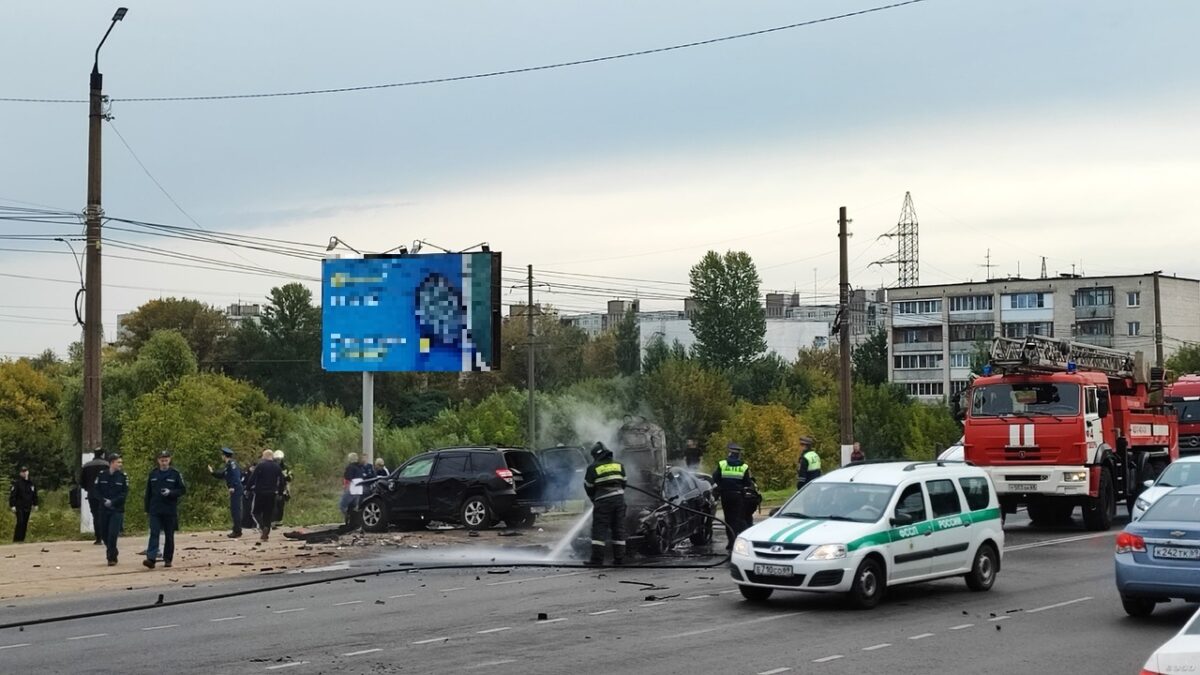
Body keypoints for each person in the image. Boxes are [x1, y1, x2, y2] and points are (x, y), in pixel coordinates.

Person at [582, 442, 627, 566]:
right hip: (619, 500)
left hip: (603, 501)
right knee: (618, 529)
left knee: (599, 531)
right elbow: (624, 482)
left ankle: (597, 560)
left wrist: (594, 499)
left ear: (596, 455)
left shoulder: (593, 468)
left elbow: (589, 486)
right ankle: (619, 559)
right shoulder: (619, 465)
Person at [143, 450, 186, 570]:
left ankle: (168, 559)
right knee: (154, 533)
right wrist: (147, 508)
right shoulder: (153, 474)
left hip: (169, 509)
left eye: (166, 460)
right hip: (155, 509)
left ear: (169, 460)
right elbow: (148, 492)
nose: (164, 462)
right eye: (162, 460)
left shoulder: (175, 474)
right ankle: (151, 558)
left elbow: (182, 490)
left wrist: (171, 492)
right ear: (158, 461)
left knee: (169, 535)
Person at [712, 443, 754, 550]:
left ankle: (731, 542)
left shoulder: (722, 464)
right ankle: (743, 541)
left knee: (728, 519)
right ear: (738, 454)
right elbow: (747, 482)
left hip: (726, 495)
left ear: (730, 453)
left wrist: (723, 485)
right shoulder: (744, 466)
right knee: (738, 518)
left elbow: (715, 478)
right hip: (738, 496)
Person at [94, 453, 128, 566]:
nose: (120, 464)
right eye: (118, 462)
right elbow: (96, 491)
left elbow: (124, 493)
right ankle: (113, 550)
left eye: (121, 462)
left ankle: (111, 558)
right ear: (112, 463)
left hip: (116, 509)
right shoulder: (102, 475)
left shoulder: (122, 476)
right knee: (104, 534)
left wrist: (112, 502)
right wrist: (103, 501)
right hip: (103, 509)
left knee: (113, 534)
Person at [248, 449, 285, 541]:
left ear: (264, 456)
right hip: (272, 493)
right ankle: (266, 532)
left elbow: (253, 478)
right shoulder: (277, 467)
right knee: (267, 514)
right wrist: (280, 492)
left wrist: (248, 488)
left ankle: (262, 526)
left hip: (260, 493)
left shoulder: (260, 465)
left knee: (255, 512)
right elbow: (282, 481)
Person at [208, 447, 243, 538]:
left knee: (236, 510)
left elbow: (235, 476)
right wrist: (212, 472)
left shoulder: (232, 464)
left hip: (235, 489)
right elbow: (222, 475)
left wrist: (232, 486)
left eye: (222, 455)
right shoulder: (228, 466)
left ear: (224, 456)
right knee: (234, 509)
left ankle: (237, 530)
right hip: (234, 488)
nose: (221, 457)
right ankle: (236, 529)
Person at [80, 449, 109, 545]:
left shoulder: (86, 466)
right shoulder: (107, 465)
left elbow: (82, 482)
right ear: (103, 454)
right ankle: (106, 536)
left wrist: (88, 489)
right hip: (104, 494)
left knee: (96, 516)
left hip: (92, 494)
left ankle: (98, 538)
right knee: (104, 515)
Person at [9, 466, 38, 542]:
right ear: (20, 473)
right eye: (23, 472)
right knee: (20, 522)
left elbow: (34, 495)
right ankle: (16, 539)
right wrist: (12, 505)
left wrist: (35, 504)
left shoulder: (31, 484)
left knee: (25, 523)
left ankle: (22, 539)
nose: (24, 473)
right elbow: (13, 495)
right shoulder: (17, 483)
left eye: (25, 471)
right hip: (19, 506)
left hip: (27, 506)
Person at [272, 450, 292, 526]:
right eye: (277, 459)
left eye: (279, 459)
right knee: (274, 505)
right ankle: (273, 520)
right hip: (274, 488)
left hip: (282, 488)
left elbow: (290, 478)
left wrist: (285, 475)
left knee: (281, 505)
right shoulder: (272, 467)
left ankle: (279, 520)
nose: (278, 461)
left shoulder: (285, 468)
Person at [340, 453, 360, 517]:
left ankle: (347, 517)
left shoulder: (350, 467)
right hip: (358, 490)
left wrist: (346, 487)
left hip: (351, 488)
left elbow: (348, 478)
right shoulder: (359, 468)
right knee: (353, 507)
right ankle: (353, 521)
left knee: (342, 505)